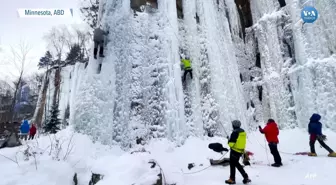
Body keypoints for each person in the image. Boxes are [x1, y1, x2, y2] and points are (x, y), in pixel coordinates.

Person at [225, 120, 251, 184]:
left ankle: (232, 179)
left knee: (232, 165)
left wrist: (229, 140)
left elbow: (231, 144)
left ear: (234, 125)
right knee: (236, 164)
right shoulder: (243, 132)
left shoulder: (235, 132)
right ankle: (245, 177)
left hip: (234, 151)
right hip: (240, 151)